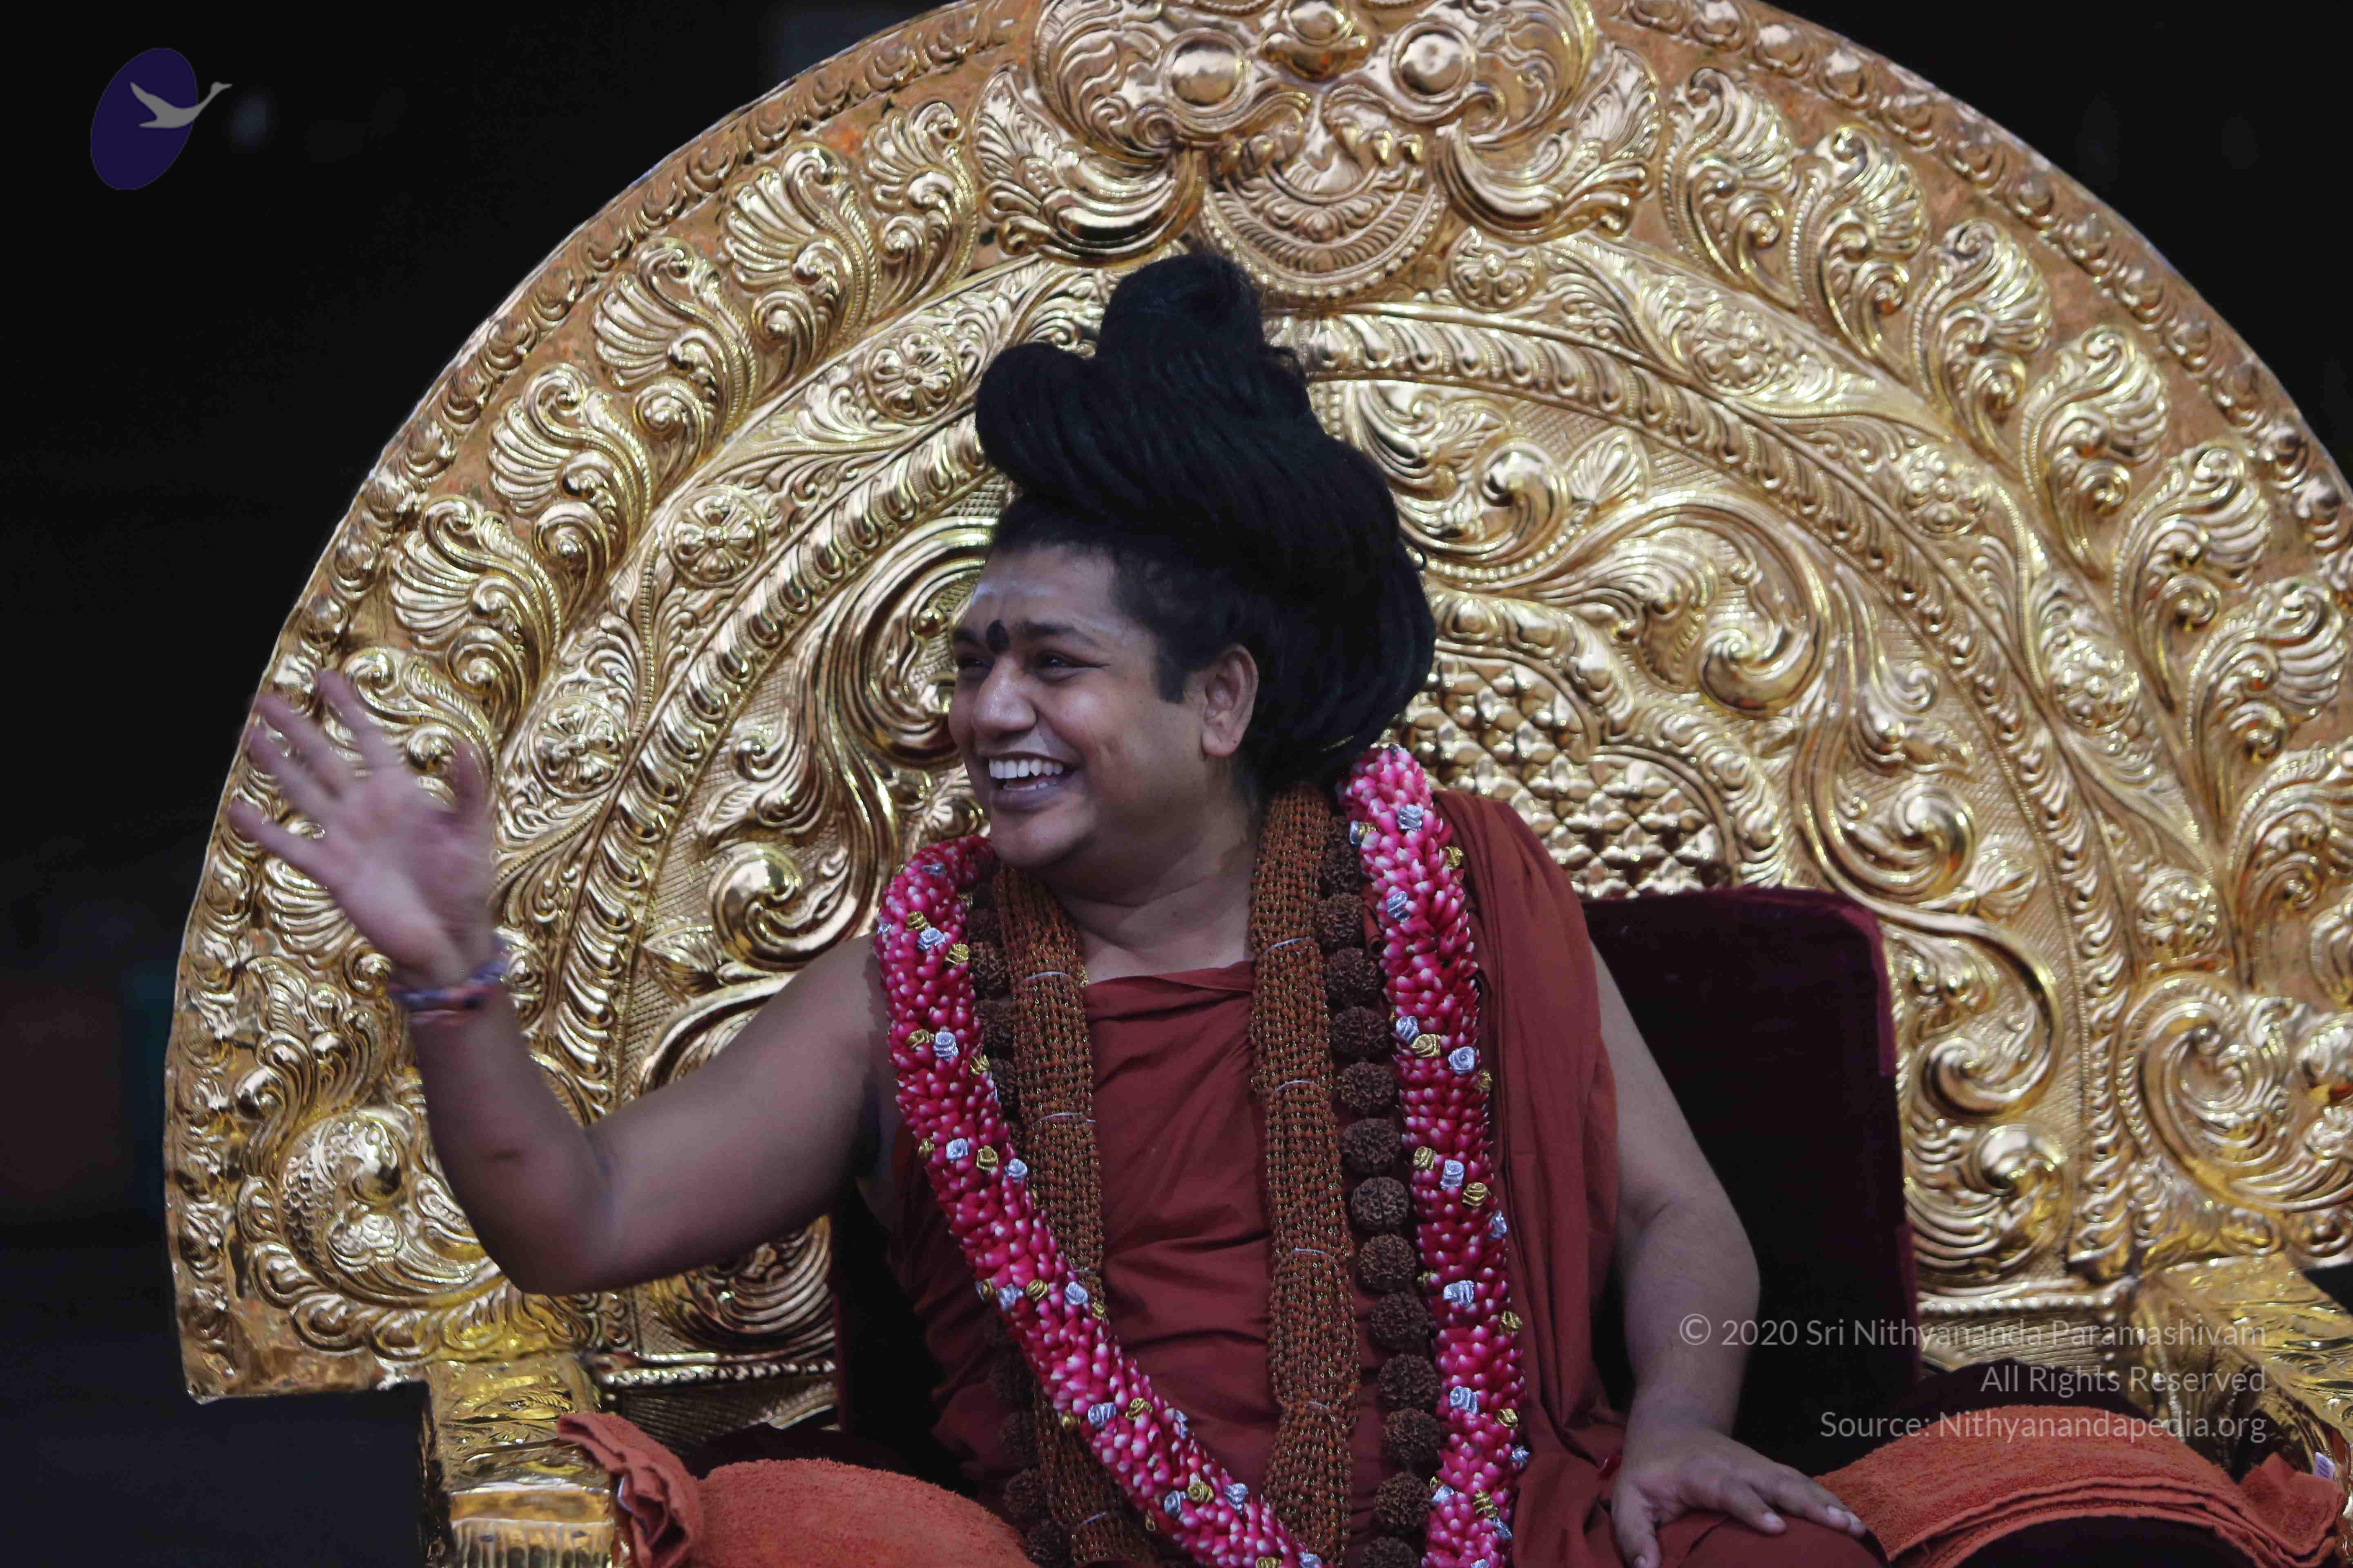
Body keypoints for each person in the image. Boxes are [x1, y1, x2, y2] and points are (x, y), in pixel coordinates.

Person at [228, 252, 1877, 1568]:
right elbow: (578, 1221)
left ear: (1219, 701)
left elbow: (1683, 1222)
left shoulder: (1454, 889)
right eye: (974, 663)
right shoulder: (915, 982)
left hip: (1497, 1537)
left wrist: (1677, 1424)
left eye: (1054, 664)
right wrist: (452, 977)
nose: (989, 712)